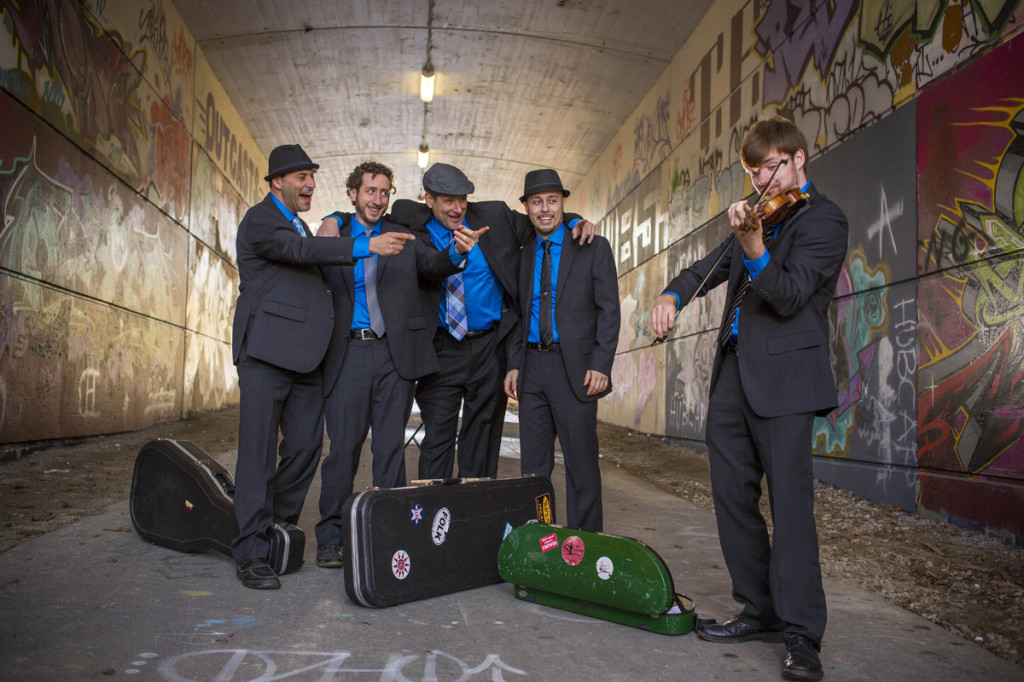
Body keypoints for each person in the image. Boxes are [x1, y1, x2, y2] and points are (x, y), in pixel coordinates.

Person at [650, 116, 848, 681]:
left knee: (790, 507)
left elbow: (788, 295)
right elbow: (708, 267)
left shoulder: (825, 220)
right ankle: (759, 609)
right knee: (731, 497)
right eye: (754, 172)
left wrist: (756, 247)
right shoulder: (757, 217)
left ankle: (802, 633)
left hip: (786, 381)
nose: (762, 180)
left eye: (770, 168)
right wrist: (671, 295)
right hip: (734, 375)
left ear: (798, 159)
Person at [230, 145, 411, 589]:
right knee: (257, 456)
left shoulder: (302, 222)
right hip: (265, 355)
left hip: (304, 362)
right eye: (301, 177)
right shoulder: (261, 219)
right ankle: (251, 551)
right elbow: (299, 251)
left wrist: (335, 218)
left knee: (306, 448)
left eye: (312, 176)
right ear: (276, 182)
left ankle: (276, 527)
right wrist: (365, 244)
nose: (310, 183)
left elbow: (317, 242)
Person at [312, 161, 485, 568]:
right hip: (348, 355)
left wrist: (457, 252)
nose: (377, 199)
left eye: (384, 192)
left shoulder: (402, 233)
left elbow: (432, 265)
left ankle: (389, 536)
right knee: (343, 451)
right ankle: (331, 538)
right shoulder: (334, 235)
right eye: (369, 191)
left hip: (393, 356)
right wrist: (332, 218)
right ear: (352, 194)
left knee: (390, 451)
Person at [389, 164, 594, 481]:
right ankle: (433, 508)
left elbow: (541, 220)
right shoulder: (411, 222)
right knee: (438, 437)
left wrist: (573, 219)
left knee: (482, 439)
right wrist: (336, 218)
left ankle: (475, 507)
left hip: (489, 347)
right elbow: (423, 261)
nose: (457, 208)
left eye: (462, 199)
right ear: (429, 200)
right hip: (441, 348)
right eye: (448, 201)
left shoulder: (494, 216)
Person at [503, 169, 620, 532]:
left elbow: (609, 310)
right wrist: (514, 364)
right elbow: (517, 314)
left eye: (552, 201)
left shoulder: (593, 247)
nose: (545, 209)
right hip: (532, 369)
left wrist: (601, 364)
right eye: (537, 202)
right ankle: (544, 542)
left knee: (581, 467)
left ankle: (585, 546)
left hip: (577, 370)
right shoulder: (522, 255)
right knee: (534, 471)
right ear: (526, 207)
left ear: (563, 203)